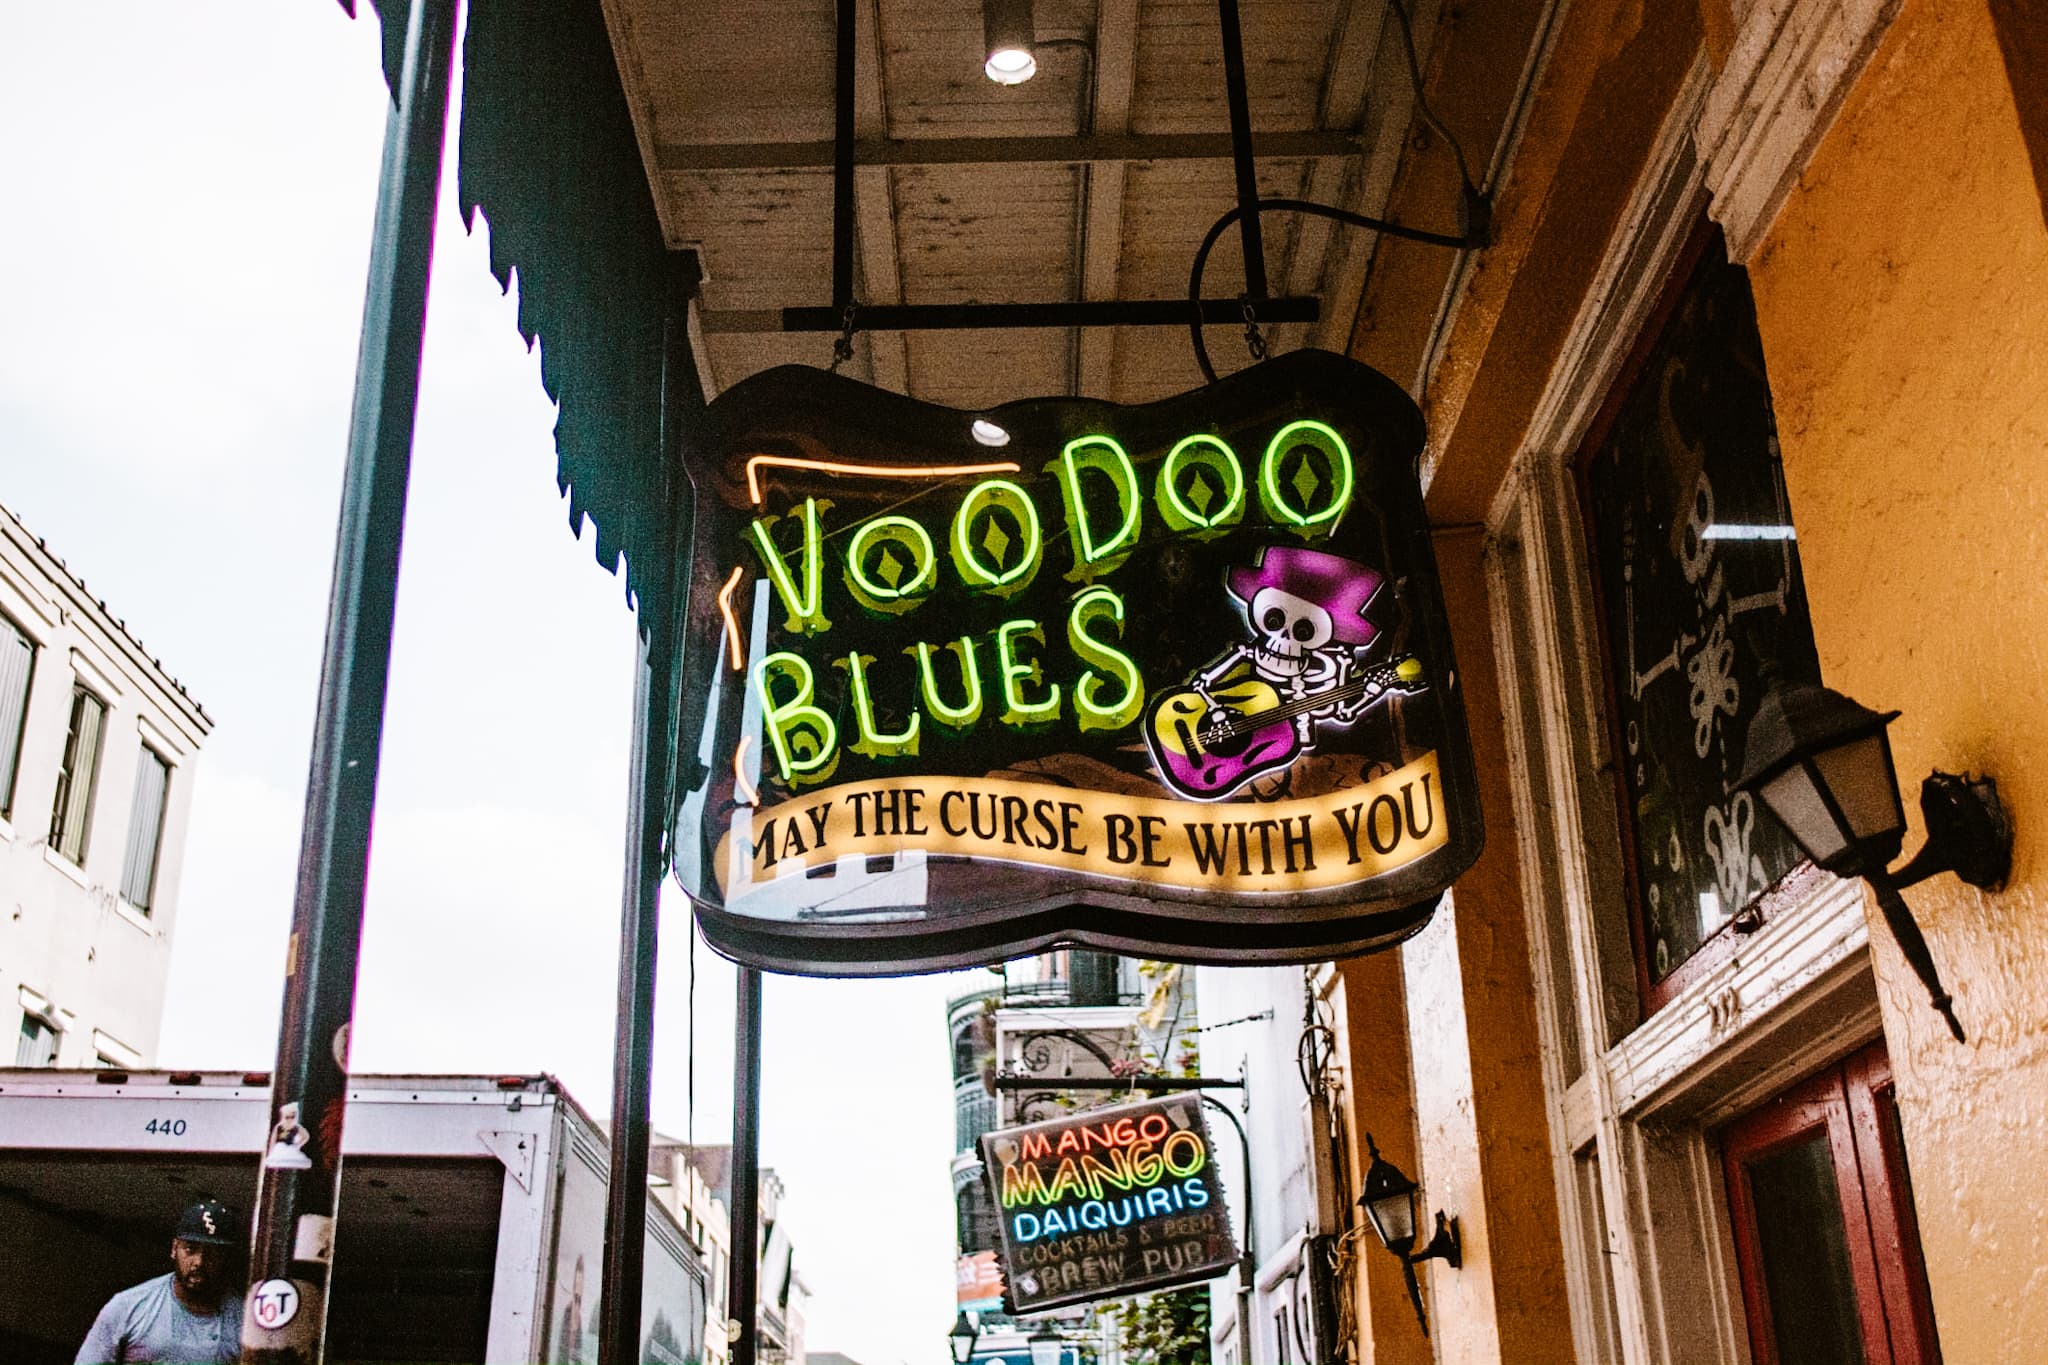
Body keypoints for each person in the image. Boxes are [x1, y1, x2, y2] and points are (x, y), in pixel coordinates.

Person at [76, 1198, 244, 1364]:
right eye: (190, 1249)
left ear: (226, 1259)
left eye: (212, 1253)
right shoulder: (128, 1306)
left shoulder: (244, 1321)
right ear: (174, 1249)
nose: (199, 1261)